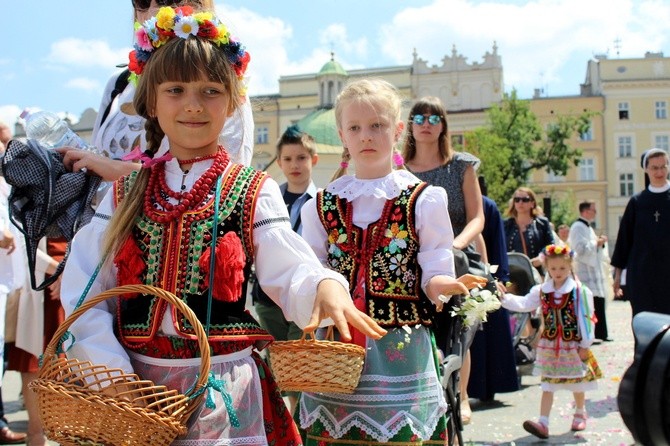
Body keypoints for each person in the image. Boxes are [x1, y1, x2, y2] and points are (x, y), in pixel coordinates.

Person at [60, 7, 386, 444]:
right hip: (134, 390)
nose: (193, 104)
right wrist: (112, 374)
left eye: (210, 90)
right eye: (175, 89)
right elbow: (85, 288)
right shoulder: (127, 191)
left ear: (232, 102)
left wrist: (323, 285)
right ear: (152, 102)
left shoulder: (252, 188)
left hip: (225, 391)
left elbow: (287, 263)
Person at [297, 78, 486, 445]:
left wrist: (442, 283)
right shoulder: (320, 204)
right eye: (355, 127)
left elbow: (434, 260)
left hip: (401, 342)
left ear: (398, 130)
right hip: (338, 347)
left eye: (377, 126)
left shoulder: (424, 199)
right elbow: (312, 267)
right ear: (342, 135)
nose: (366, 136)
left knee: (400, 435)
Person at [58, 0, 254, 184]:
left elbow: (226, 182)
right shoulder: (118, 83)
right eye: (142, 2)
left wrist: (113, 169)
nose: (152, 10)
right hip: (105, 218)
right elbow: (95, 158)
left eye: (165, 0)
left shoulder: (223, 80)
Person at [401, 95, 485, 425]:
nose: (425, 123)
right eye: (419, 117)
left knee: (457, 332)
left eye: (433, 118)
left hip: (457, 259)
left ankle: (462, 396)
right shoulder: (400, 170)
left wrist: (454, 247)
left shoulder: (461, 166)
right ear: (409, 126)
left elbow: (477, 218)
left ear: (443, 126)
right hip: (414, 264)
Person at [500, 244, 602, 439]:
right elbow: (524, 304)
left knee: (577, 382)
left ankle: (580, 411)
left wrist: (585, 344)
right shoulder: (542, 290)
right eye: (553, 269)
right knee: (547, 385)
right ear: (547, 267)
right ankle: (543, 422)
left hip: (572, 343)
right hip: (550, 345)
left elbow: (586, 318)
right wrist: (504, 298)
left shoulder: (578, 291)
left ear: (570, 267)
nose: (558, 273)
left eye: (562, 268)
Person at [252, 124, 318, 414]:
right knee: (277, 363)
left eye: (301, 158)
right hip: (269, 297)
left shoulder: (323, 203)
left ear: (313, 160)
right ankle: (287, 424)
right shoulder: (268, 200)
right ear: (279, 162)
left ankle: (303, 421)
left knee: (302, 361)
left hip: (307, 295)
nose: (295, 165)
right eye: (288, 159)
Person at [468, 176, 519, 403]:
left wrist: (498, 278)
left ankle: (489, 387)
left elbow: (497, 245)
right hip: (462, 271)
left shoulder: (487, 206)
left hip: (484, 274)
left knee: (488, 333)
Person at [612, 148, 670, 316]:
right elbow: (624, 240)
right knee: (644, 321)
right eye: (654, 167)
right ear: (646, 169)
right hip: (642, 275)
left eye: (663, 166)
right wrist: (617, 276)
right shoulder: (637, 202)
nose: (659, 172)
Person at [569, 201, 611, 341]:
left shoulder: (588, 227)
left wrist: (598, 244)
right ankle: (592, 335)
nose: (595, 213)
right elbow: (578, 249)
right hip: (584, 271)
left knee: (598, 302)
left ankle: (601, 334)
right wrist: (596, 243)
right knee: (589, 303)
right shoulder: (577, 227)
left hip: (593, 271)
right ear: (586, 211)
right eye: (594, 210)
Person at [504, 187, 555, 273]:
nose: (520, 202)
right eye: (517, 199)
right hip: (512, 271)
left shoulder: (542, 223)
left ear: (532, 203)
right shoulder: (506, 225)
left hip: (537, 271)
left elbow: (551, 245)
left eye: (525, 200)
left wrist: (541, 258)